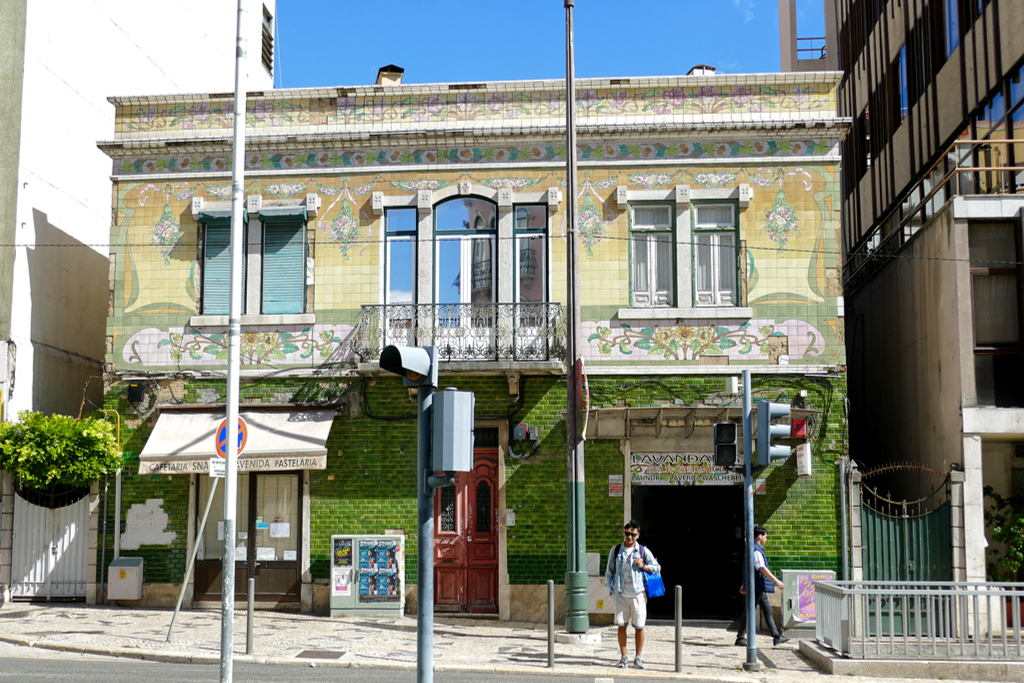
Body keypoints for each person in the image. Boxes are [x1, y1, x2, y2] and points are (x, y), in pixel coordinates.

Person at [605, 519, 660, 669]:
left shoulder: (643, 551)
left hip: (638, 594)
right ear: (623, 534)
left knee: (639, 627)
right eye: (627, 534)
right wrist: (612, 587)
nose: (629, 537)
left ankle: (638, 657)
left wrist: (644, 566)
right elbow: (609, 572)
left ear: (638, 535)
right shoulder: (615, 550)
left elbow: (657, 568)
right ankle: (624, 658)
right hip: (621, 595)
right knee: (621, 626)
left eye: (632, 535)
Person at [735, 524, 790, 647]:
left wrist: (745, 583)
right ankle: (740, 637)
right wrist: (777, 581)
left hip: (757, 586)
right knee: (749, 611)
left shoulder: (754, 549)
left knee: (767, 611)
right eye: (765, 536)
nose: (766, 539)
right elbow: (761, 568)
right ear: (760, 536)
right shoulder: (756, 550)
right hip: (756, 586)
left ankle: (776, 637)